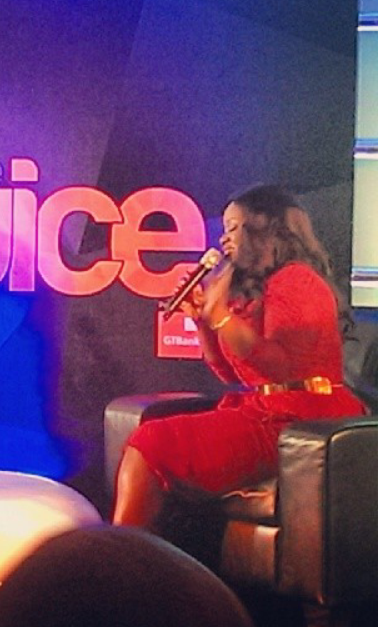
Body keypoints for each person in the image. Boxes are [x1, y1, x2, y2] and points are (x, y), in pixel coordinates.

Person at [112, 184, 365, 529]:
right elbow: (230, 374)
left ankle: (117, 552)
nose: (224, 239)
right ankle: (133, 550)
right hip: (268, 411)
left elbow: (281, 367)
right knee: (151, 438)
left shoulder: (297, 279)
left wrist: (221, 317)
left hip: (301, 416)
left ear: (264, 230)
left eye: (233, 228)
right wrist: (203, 323)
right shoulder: (257, 289)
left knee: (152, 442)